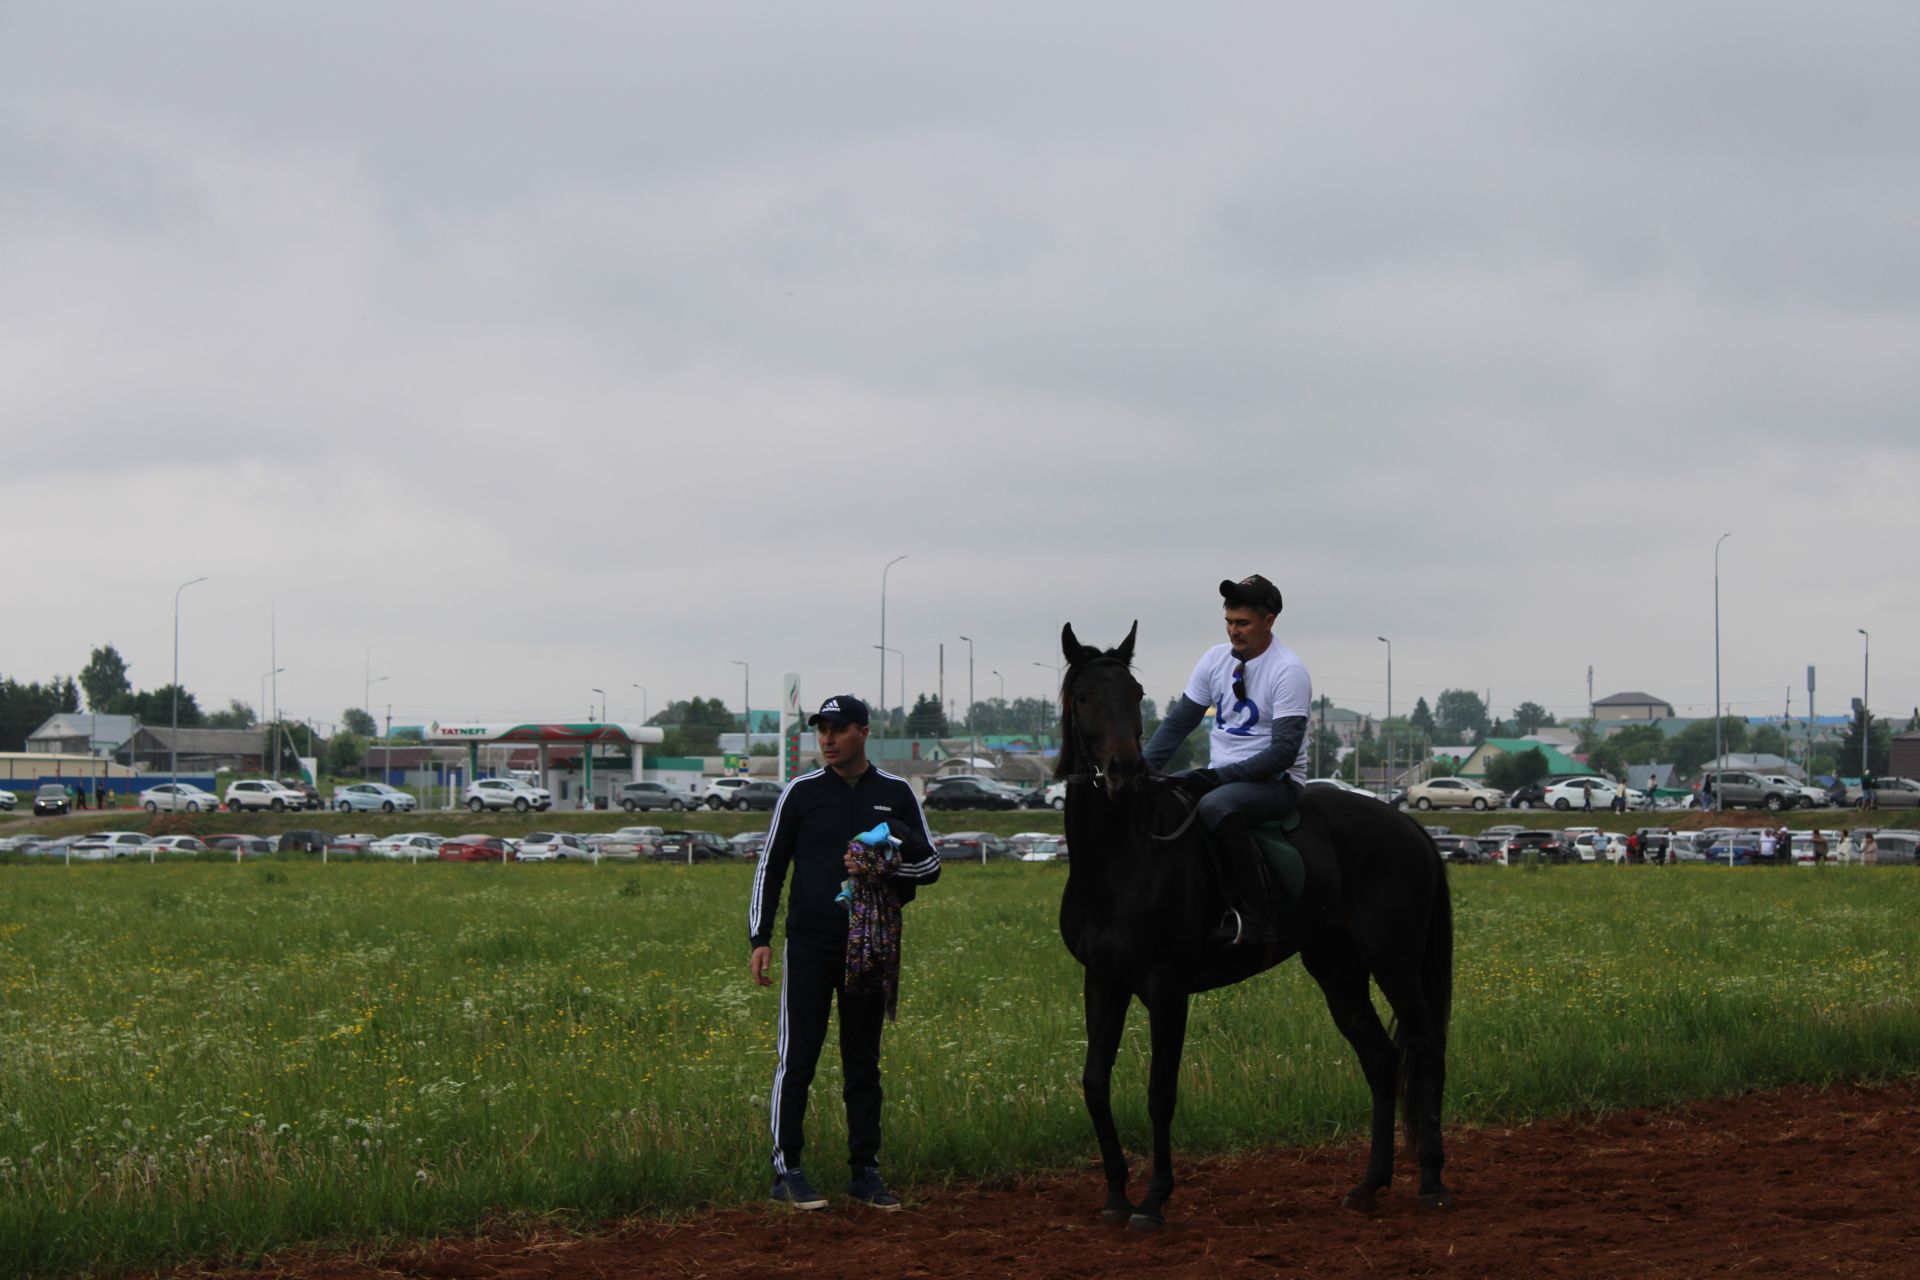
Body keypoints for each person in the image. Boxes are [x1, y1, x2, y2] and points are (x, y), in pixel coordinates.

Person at [749, 694, 940, 1212]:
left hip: (871, 945)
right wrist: (760, 937)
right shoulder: (800, 792)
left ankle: (865, 1173)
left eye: (837, 729)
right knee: (798, 1059)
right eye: (821, 731)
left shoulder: (896, 793)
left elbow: (930, 866)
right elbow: (771, 865)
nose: (827, 740)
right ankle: (787, 1170)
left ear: (862, 731)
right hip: (810, 942)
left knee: (863, 1062)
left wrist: (883, 869)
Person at [1142, 574, 1311, 949]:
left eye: (1243, 624)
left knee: (1215, 805)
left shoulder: (1289, 671)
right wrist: (1141, 772)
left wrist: (1215, 778)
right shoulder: (1214, 659)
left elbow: (1282, 754)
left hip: (1277, 783)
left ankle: (1256, 916)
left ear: (1269, 622)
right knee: (1163, 796)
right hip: (1225, 776)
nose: (1233, 631)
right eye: (1229, 622)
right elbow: (1178, 723)